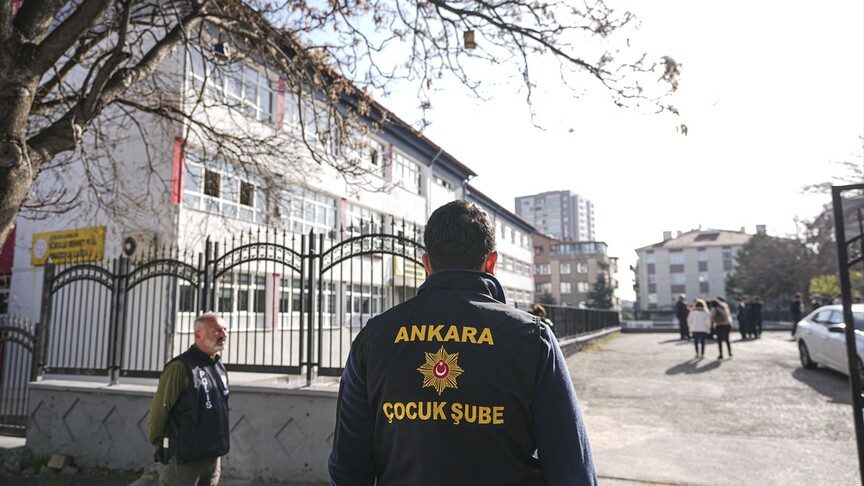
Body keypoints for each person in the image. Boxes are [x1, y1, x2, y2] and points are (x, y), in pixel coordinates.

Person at [328, 200, 596, 485]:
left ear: (427, 263)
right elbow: (572, 469)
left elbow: (348, 467)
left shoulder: (375, 337)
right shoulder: (532, 339)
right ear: (491, 262)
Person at [148, 313, 230, 486]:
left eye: (225, 329)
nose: (223, 334)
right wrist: (160, 448)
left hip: (212, 458)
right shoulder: (181, 367)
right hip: (184, 461)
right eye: (216, 330)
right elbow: (159, 411)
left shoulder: (218, 366)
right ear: (198, 335)